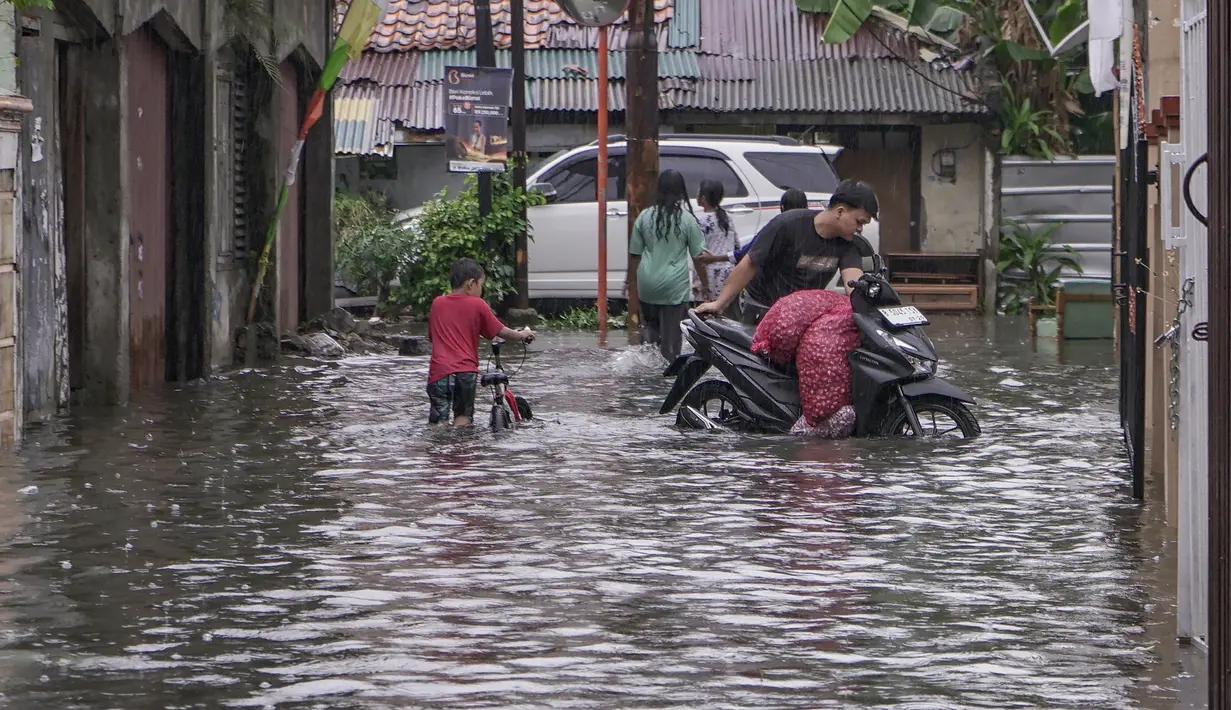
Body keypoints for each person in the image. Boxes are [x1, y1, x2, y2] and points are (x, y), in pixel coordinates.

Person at [695, 180, 878, 325]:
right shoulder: (788, 224)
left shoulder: (848, 243)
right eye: (859, 222)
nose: (860, 229)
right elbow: (749, 263)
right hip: (762, 309)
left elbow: (853, 282)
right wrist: (720, 303)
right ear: (840, 211)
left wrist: (868, 312)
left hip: (801, 315)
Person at [426, 258, 535, 426]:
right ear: (470, 284)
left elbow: (432, 337)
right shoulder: (478, 304)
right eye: (480, 285)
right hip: (465, 372)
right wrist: (522, 334)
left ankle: (438, 446)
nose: (481, 290)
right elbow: (500, 331)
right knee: (462, 417)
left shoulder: (437, 304)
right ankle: (461, 447)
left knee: (438, 420)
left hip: (439, 372)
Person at [629, 169, 709, 361]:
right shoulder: (687, 220)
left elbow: (634, 256)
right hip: (673, 288)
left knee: (649, 344)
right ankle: (668, 383)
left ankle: (647, 378)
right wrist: (705, 286)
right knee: (671, 346)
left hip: (646, 286)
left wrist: (630, 286)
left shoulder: (644, 217)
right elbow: (699, 257)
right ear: (681, 192)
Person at [728, 188, 810, 266]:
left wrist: (719, 258)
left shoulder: (776, 227)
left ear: (782, 207)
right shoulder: (813, 230)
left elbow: (749, 250)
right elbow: (819, 263)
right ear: (806, 207)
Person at [693, 179, 739, 304]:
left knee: (707, 317)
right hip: (729, 274)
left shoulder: (699, 221)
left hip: (709, 277)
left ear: (703, 198)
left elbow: (698, 254)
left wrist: (704, 284)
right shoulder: (727, 219)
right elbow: (737, 247)